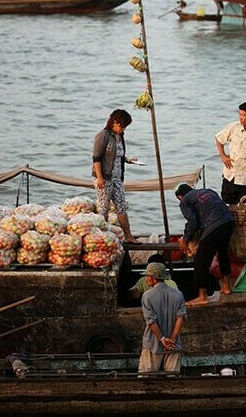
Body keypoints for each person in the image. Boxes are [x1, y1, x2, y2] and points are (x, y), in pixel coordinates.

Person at [174, 182, 235, 306]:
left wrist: (185, 239)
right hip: (229, 222)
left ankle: (202, 296)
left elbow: (192, 222)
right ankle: (227, 287)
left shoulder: (185, 200)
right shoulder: (208, 191)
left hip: (215, 225)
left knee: (200, 261)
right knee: (223, 253)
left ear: (180, 196)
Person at [92, 109, 137, 242]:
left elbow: (116, 156)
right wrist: (100, 178)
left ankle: (128, 236)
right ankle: (103, 237)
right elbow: (97, 159)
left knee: (121, 206)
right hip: (104, 178)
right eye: (122, 126)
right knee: (103, 208)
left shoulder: (120, 137)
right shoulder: (103, 136)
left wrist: (127, 159)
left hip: (117, 178)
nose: (123, 130)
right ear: (114, 122)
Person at [138, 261, 186, 375]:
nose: (146, 279)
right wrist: (172, 339)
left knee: (146, 381)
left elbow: (151, 321)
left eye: (147, 277)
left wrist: (162, 339)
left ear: (154, 278)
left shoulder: (147, 296)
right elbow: (180, 317)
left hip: (153, 344)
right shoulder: (178, 294)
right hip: (173, 346)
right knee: (172, 382)